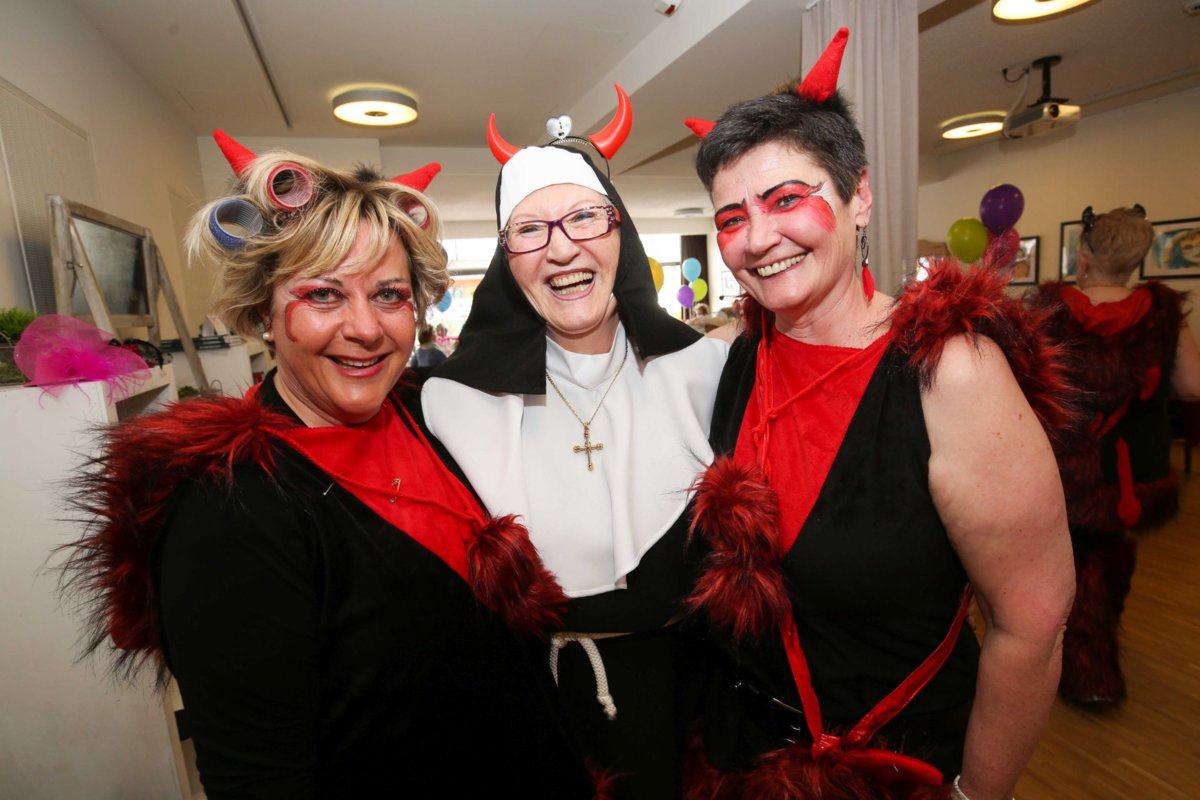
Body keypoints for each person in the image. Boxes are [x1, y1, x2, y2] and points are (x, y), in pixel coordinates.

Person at [59, 133, 596, 799]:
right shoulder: (231, 508)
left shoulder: (435, 415)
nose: (366, 328)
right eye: (323, 294)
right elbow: (261, 782)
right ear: (263, 311)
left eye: (389, 295)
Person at [680, 29, 1076, 800]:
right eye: (730, 218)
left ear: (858, 196)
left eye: (786, 200)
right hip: (739, 759)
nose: (757, 239)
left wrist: (975, 794)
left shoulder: (951, 373)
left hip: (894, 771)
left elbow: (1032, 624)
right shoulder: (734, 359)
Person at [422, 87, 729, 799]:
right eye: (530, 230)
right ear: (506, 259)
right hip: (535, 714)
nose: (562, 248)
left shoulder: (706, 371)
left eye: (585, 217)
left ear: (621, 233)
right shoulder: (450, 404)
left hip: (694, 709)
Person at [1030, 205, 1200, 706]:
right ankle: (1091, 659)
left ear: (1084, 257)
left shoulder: (1050, 309)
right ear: (1134, 260)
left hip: (1063, 464)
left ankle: (1074, 661)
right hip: (1127, 469)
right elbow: (1193, 386)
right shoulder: (1162, 314)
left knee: (1061, 561)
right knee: (1107, 557)